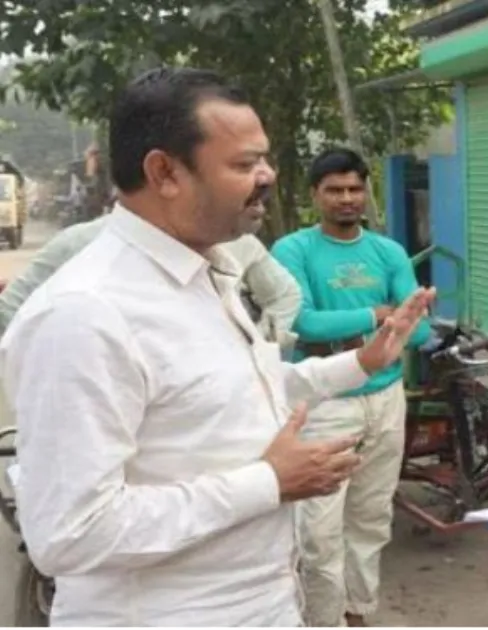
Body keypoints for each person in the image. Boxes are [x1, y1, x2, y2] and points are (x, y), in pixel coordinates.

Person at [0, 67, 435, 627]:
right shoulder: (86, 313)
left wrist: (361, 362)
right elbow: (70, 533)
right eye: (243, 164)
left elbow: (225, 395)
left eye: (265, 159)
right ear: (164, 172)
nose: (268, 176)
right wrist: (268, 482)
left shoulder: (210, 271)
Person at [271, 147, 433, 628]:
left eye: (355, 189)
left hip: (385, 401)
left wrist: (364, 328)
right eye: (334, 190)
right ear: (315, 195)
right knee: (318, 531)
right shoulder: (293, 250)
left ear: (367, 192)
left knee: (370, 519)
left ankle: (358, 613)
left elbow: (419, 330)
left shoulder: (388, 252)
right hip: (324, 404)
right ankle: (323, 621)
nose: (347, 199)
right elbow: (302, 322)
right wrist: (380, 316)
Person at [0, 214, 301, 349]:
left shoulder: (239, 243)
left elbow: (285, 295)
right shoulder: (78, 243)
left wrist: (259, 345)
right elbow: (8, 314)